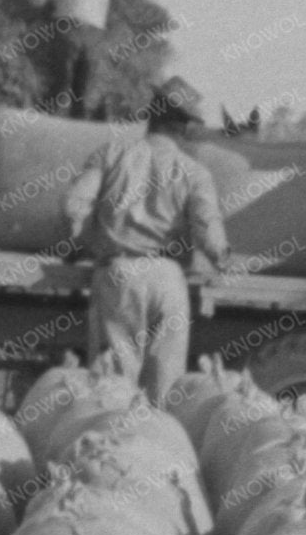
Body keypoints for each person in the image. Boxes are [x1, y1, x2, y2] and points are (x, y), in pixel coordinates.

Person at [61, 77, 225, 401]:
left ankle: (117, 439)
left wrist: (74, 240)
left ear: (151, 113)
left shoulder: (110, 154)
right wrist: (222, 258)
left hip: (120, 274)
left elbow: (73, 205)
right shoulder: (194, 173)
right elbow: (209, 232)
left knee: (114, 383)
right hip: (168, 278)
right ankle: (157, 443)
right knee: (165, 384)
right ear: (186, 128)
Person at [40, 0, 116, 117]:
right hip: (95, 35)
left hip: (67, 28)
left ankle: (47, 119)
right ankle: (78, 121)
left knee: (58, 80)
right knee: (81, 87)